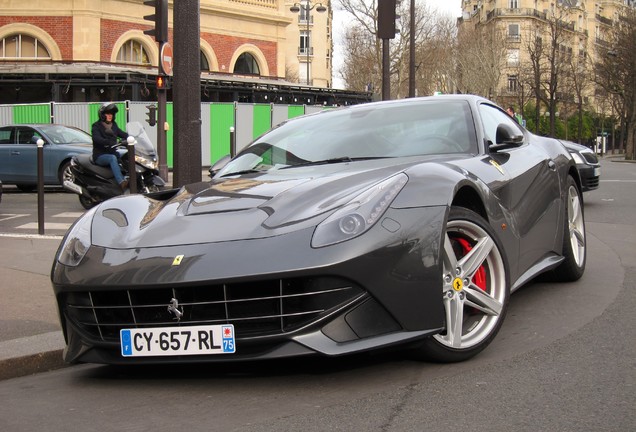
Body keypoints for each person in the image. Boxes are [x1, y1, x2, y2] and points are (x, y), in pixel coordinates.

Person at [92, 103, 129, 191]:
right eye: (108, 114)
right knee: (112, 158)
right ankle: (121, 182)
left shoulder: (114, 125)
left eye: (111, 114)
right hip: (100, 155)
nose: (110, 116)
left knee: (126, 157)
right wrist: (108, 142)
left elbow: (121, 133)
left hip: (112, 152)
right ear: (102, 115)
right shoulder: (96, 126)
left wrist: (132, 137)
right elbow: (96, 138)